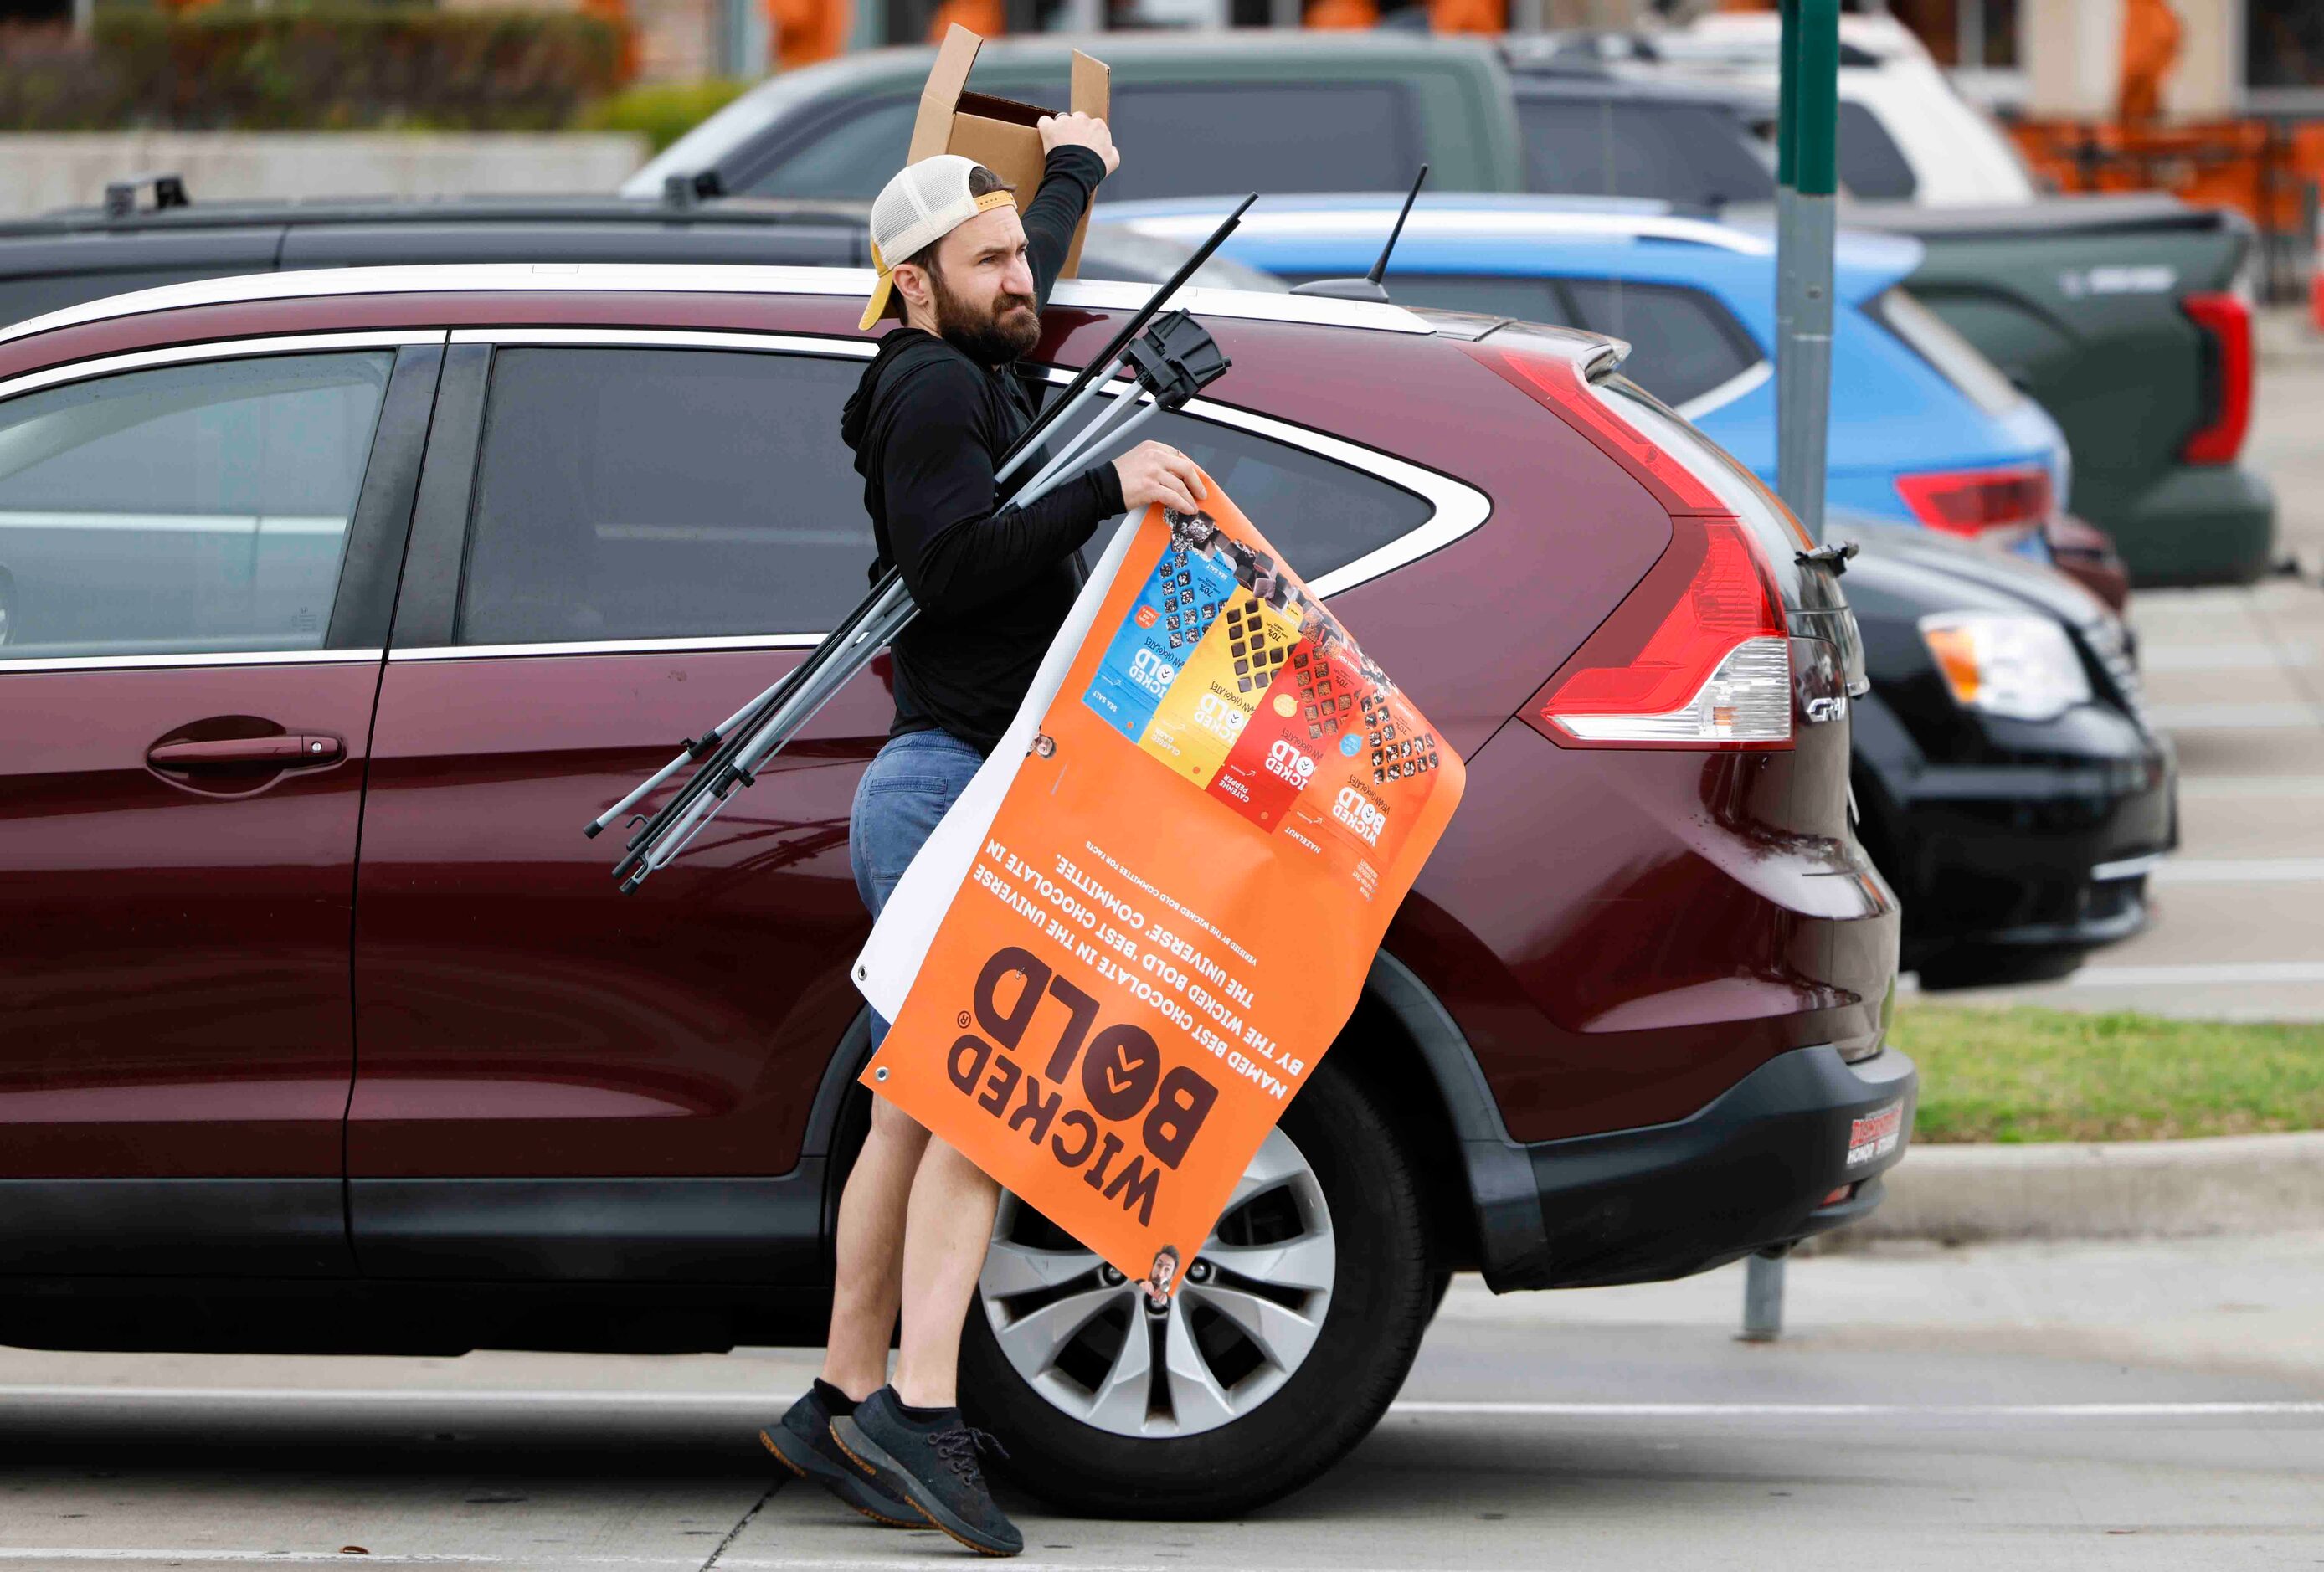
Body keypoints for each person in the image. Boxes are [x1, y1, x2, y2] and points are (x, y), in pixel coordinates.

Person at [757, 116, 1209, 1558]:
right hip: (948, 783)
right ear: (911, 278)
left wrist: (1067, 173)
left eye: (1025, 252)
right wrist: (1109, 483)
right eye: (992, 257)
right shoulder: (934, 388)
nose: (1024, 277)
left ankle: (837, 1394)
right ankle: (921, 1409)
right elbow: (950, 565)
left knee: (914, 1108)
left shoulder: (974, 351)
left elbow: (1020, 266)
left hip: (952, 781)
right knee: (980, 1103)